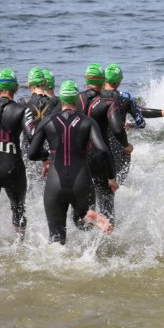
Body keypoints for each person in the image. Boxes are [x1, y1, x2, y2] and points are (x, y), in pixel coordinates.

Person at [28, 80, 116, 244]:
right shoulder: (88, 122)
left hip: (55, 183)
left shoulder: (47, 121)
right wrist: (111, 178)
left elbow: (32, 153)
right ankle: (88, 216)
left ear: (61, 99)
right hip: (81, 182)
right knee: (83, 223)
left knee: (56, 239)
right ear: (76, 99)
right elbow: (103, 151)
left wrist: (48, 156)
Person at [0, 69, 36, 240]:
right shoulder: (23, 110)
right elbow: (32, 136)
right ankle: (19, 247)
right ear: (17, 87)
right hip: (13, 168)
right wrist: (46, 156)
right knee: (18, 209)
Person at [76, 63, 132, 225]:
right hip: (100, 157)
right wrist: (125, 145)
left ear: (86, 79)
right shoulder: (108, 102)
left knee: (83, 198)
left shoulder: (74, 99)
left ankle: (87, 226)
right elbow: (117, 129)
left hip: (77, 157)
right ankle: (107, 232)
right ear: (103, 81)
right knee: (106, 202)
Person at [101, 63, 164, 184]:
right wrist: (131, 125)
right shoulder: (126, 98)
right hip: (120, 148)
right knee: (119, 183)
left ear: (104, 79)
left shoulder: (95, 97)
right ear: (119, 82)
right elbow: (141, 123)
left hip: (99, 146)